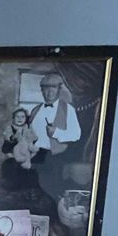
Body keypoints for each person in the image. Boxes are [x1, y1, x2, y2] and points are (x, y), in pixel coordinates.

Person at [29, 73, 81, 201]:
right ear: (41, 90)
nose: (49, 92)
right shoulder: (35, 110)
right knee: (34, 192)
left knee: (53, 193)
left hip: (55, 157)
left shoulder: (68, 109)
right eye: (46, 88)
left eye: (53, 88)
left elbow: (76, 135)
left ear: (59, 89)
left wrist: (56, 133)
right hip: (35, 156)